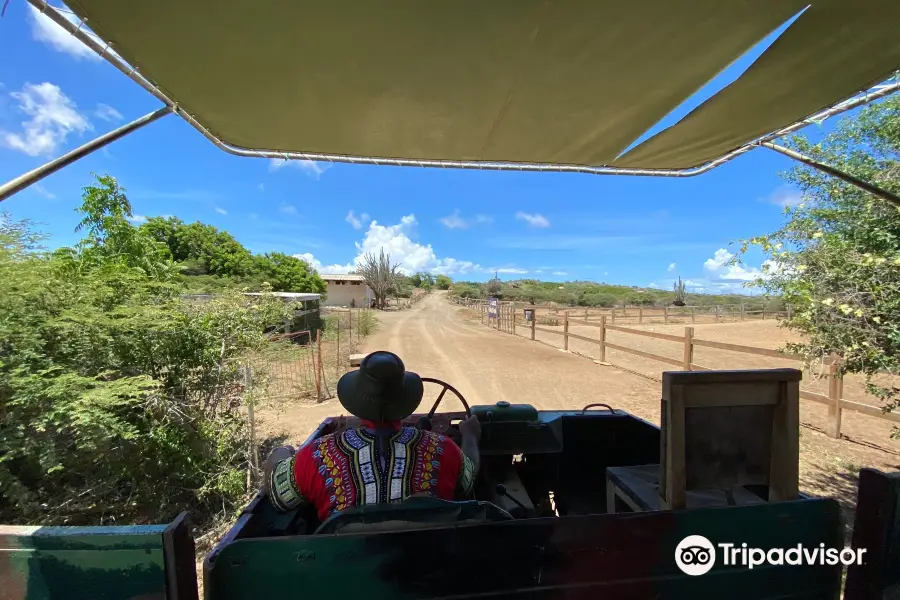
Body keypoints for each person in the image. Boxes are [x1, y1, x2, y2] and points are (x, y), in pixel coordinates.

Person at [262, 351, 481, 521]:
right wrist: (470, 436)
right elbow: (468, 481)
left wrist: (281, 452)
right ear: (405, 402)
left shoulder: (318, 454)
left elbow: (279, 496)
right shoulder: (442, 448)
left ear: (356, 402)